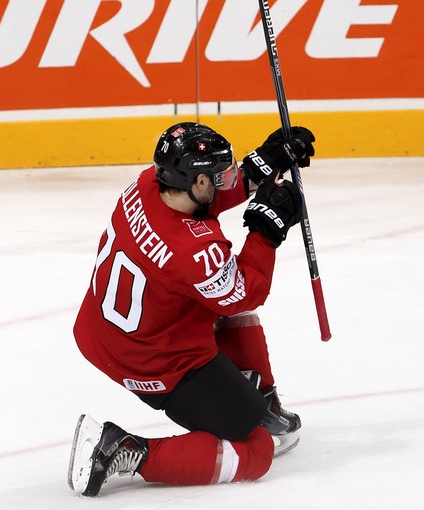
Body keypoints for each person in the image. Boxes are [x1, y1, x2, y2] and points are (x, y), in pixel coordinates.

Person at [68, 121, 316, 496]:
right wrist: (267, 230)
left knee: (218, 298)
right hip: (155, 362)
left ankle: (260, 403)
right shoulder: (193, 253)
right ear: (199, 181)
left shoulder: (147, 185)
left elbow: (206, 197)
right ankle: (128, 449)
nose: (226, 178)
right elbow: (244, 294)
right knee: (257, 450)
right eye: (221, 174)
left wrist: (264, 164)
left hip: (104, 331)